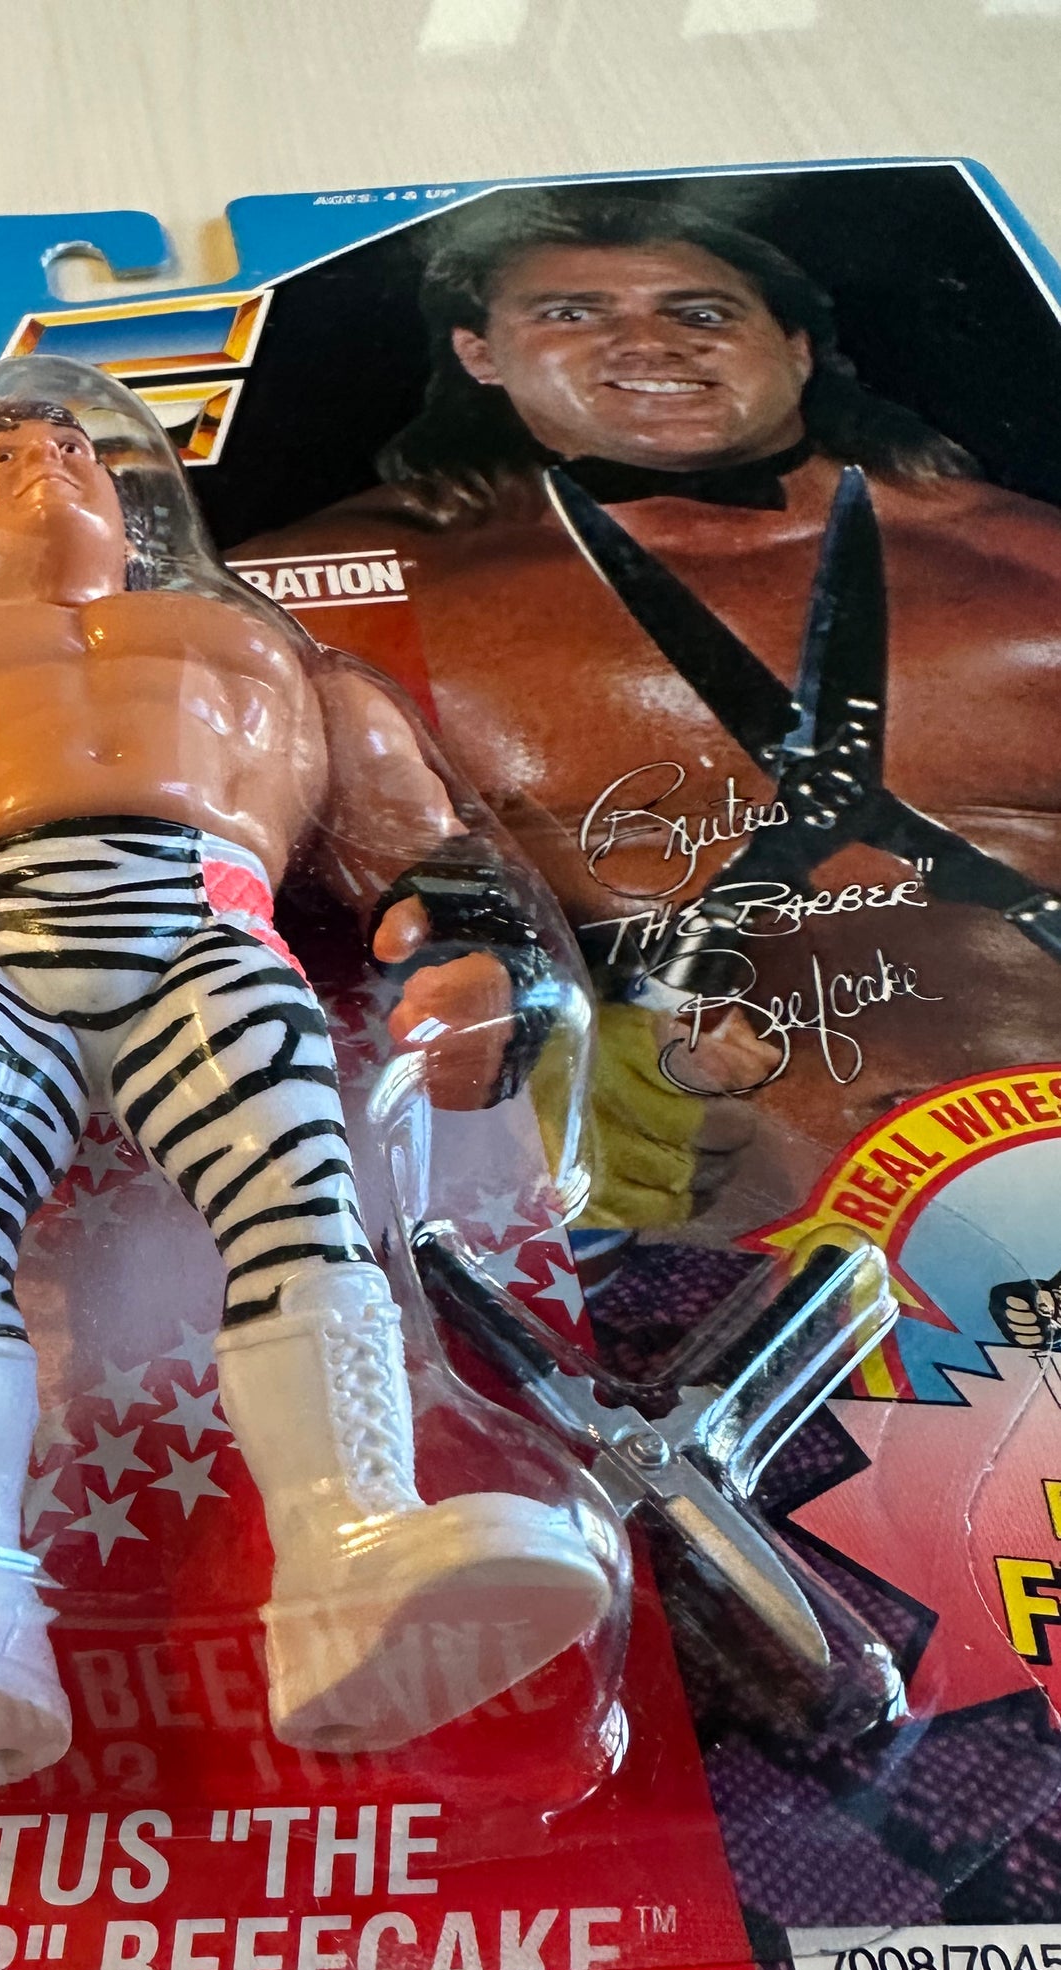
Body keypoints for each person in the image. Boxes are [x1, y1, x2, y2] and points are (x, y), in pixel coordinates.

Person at [0, 358, 611, 1786]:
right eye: (5, 452)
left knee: (303, 1211)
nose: (44, 458)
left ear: (134, 480)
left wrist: (480, 953)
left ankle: (357, 1547)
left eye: (73, 444)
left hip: (206, 933)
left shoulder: (272, 659)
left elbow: (415, 829)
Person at [243, 190, 1061, 1231]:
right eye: (572, 313)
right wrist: (500, 1065)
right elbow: (180, 903)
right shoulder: (322, 595)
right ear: (477, 353)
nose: (649, 342)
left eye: (700, 312)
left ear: (798, 349)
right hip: (638, 1245)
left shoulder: (1031, 562)